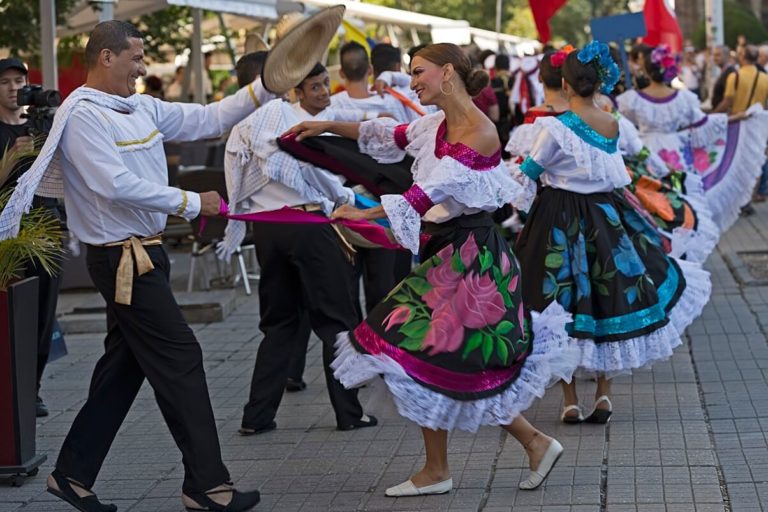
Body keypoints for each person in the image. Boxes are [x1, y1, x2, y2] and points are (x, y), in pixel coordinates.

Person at [0, 20, 276, 512]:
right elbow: (113, 183)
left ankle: (71, 475)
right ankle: (207, 486)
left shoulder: (140, 105)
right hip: (123, 259)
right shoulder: (82, 114)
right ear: (106, 57)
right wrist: (193, 202)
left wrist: (265, 85)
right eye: (135, 57)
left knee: (122, 370)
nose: (143, 66)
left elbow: (210, 118)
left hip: (146, 253)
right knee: (182, 359)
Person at [286, 42, 576, 497]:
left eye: (418, 71)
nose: (413, 79)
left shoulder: (480, 131)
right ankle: (505, 450)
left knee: (424, 352)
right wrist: (326, 125)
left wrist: (363, 215)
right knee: (442, 359)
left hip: (473, 260)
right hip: (450, 253)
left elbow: (430, 193)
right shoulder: (437, 124)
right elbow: (386, 135)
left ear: (448, 73)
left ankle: (458, 464)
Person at [511, 42, 710, 425]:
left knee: (560, 303)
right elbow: (613, 173)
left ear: (565, 85)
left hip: (559, 220)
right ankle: (603, 393)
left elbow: (529, 174)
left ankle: (569, 398)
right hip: (605, 217)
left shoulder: (554, 127)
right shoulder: (611, 122)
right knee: (608, 299)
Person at [225, 62, 378, 437]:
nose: (324, 91)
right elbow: (309, 171)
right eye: (315, 85)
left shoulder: (242, 128)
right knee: (337, 322)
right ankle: (349, 413)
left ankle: (256, 416)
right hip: (307, 227)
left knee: (278, 326)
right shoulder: (280, 118)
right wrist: (346, 196)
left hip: (269, 233)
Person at [617, 44, 768, 232]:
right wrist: (739, 117)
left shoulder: (632, 99)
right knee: (680, 201)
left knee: (649, 204)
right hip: (677, 154)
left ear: (646, 70)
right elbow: (706, 123)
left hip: (645, 153)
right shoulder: (683, 99)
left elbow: (620, 126)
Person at [0, 57, 60, 418]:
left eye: (18, 80)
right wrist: (12, 159)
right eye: (4, 81)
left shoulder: (41, 125)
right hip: (9, 237)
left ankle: (32, 389)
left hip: (46, 226)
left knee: (43, 314)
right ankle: (10, 386)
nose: (12, 88)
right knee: (11, 315)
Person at [715, 45, 768, 114]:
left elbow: (727, 101)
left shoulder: (734, 76)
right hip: (758, 120)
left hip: (738, 120)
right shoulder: (765, 78)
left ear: (742, 57)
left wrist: (714, 114)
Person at [708, 45, 736, 112]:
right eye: (714, 55)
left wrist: (714, 114)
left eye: (718, 55)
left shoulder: (730, 72)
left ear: (727, 56)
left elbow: (728, 99)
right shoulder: (724, 71)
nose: (715, 58)